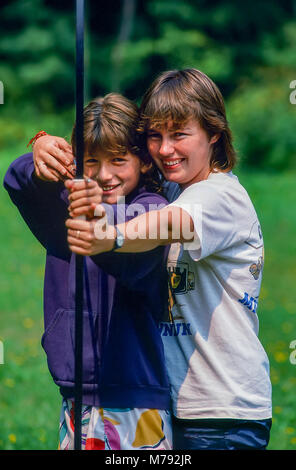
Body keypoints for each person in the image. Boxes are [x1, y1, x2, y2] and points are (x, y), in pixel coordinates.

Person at [65, 69, 272, 450]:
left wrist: (112, 236)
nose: (164, 149)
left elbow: (175, 222)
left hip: (222, 416)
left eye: (179, 134)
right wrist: (44, 144)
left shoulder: (220, 196)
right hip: (176, 407)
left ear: (214, 133)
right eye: (155, 136)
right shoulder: (175, 187)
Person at [3, 93, 173, 450]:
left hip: (135, 398)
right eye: (90, 161)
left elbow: (127, 227)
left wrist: (98, 221)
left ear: (143, 162)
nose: (104, 174)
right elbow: (16, 180)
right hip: (75, 397)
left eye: (118, 160)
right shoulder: (66, 207)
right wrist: (41, 150)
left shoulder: (152, 208)